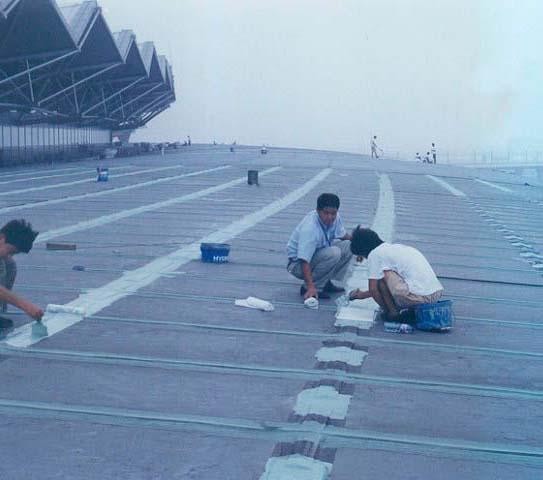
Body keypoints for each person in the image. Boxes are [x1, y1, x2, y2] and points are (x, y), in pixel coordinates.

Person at [348, 227, 443, 321]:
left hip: (420, 298)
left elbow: (374, 289)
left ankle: (393, 313)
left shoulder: (375, 254)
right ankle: (406, 310)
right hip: (435, 294)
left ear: (364, 250)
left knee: (381, 277)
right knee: (385, 274)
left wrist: (386, 310)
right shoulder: (395, 248)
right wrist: (361, 295)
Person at [287, 193, 352, 301]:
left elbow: (343, 235)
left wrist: (359, 244)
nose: (330, 217)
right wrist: (310, 286)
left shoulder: (335, 218)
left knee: (350, 246)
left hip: (317, 255)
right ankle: (311, 288)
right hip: (297, 265)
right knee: (334, 253)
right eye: (326, 213)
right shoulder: (310, 228)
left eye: (333, 213)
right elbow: (304, 260)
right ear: (318, 211)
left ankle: (325, 282)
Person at [0, 219, 43, 320]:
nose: (9, 255)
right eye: (10, 251)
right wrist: (26, 306)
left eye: (13, 254)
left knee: (9, 264)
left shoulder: (6, 262)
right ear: (1, 238)